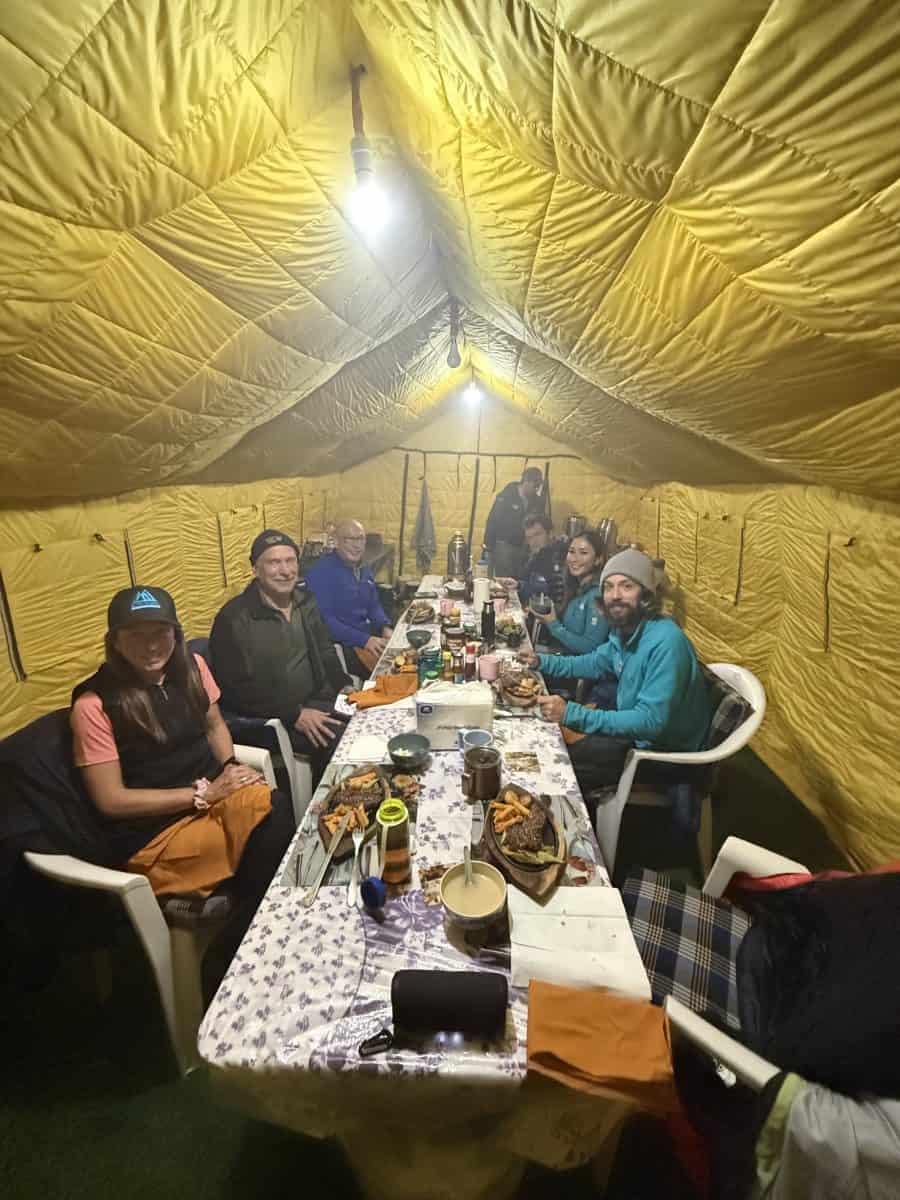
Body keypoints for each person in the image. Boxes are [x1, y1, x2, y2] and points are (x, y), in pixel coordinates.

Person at [70, 585, 295, 917]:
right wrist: (200, 794)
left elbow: (214, 725)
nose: (150, 646)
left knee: (275, 808)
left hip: (210, 799)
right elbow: (111, 799)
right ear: (115, 642)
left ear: (175, 634)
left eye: (161, 633)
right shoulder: (95, 704)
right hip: (155, 831)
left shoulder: (192, 667)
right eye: (135, 635)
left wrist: (231, 765)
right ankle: (240, 928)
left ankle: (246, 908)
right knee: (264, 844)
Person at [521, 549, 712, 805]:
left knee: (553, 759)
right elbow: (593, 662)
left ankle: (566, 832)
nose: (615, 596)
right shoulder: (626, 630)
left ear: (646, 593)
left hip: (662, 755)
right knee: (545, 742)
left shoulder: (666, 642)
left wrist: (572, 714)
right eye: (609, 587)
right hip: (636, 735)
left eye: (627, 586)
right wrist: (542, 661)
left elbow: (650, 721)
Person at [209, 529, 352, 776]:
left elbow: (325, 649)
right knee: (342, 741)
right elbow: (234, 688)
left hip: (317, 698)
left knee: (367, 720)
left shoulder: (304, 600)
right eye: (274, 563)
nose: (285, 571)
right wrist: (293, 713)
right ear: (256, 569)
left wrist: (344, 685)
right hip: (274, 718)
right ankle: (326, 808)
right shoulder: (234, 619)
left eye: (290, 561)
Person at [304, 518, 394, 676]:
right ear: (336, 542)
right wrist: (364, 640)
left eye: (361, 538)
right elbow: (325, 622)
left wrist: (384, 626)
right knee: (389, 677)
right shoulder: (322, 573)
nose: (357, 545)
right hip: (344, 646)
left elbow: (373, 604)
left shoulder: (363, 567)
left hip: (368, 636)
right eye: (350, 539)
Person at [530, 528, 609, 654]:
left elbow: (591, 648)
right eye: (571, 552)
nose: (574, 559)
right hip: (562, 655)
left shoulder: (597, 596)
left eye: (583, 553)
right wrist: (545, 610)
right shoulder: (577, 588)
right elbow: (571, 620)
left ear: (598, 559)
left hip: (578, 670)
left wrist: (553, 624)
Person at [483, 466, 543, 578]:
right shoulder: (507, 496)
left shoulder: (536, 501)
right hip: (504, 546)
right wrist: (488, 545)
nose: (536, 490)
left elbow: (538, 524)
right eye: (535, 486)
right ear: (526, 481)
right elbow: (493, 519)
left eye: (538, 487)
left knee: (519, 581)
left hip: (523, 547)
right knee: (505, 581)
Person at [495, 514, 567, 607]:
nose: (533, 541)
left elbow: (548, 594)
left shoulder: (557, 557)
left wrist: (520, 586)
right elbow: (528, 581)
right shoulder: (537, 556)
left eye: (538, 534)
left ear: (550, 533)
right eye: (529, 537)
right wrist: (516, 584)